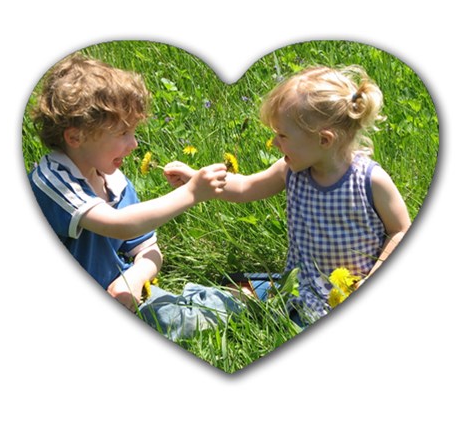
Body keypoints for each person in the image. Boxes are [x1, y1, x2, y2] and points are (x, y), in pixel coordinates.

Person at [164, 65, 411, 325]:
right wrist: (196, 179)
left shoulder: (369, 181)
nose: (273, 143)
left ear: (324, 140)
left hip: (351, 292)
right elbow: (246, 187)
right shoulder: (290, 171)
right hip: (301, 286)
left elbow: (400, 231)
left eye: (282, 135)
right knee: (234, 288)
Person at [28, 53, 240, 337]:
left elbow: (148, 249)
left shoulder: (113, 180)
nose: (134, 143)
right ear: (75, 137)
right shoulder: (52, 181)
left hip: (119, 295)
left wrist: (134, 277)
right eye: (123, 133)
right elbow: (120, 224)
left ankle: (243, 296)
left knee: (181, 319)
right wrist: (192, 192)